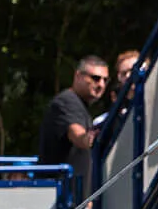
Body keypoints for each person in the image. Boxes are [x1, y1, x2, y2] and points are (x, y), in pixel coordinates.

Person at [36, 55, 108, 187]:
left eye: (105, 80)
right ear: (78, 76)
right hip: (61, 194)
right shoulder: (66, 102)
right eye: (95, 78)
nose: (101, 85)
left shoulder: (80, 105)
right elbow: (77, 134)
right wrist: (88, 139)